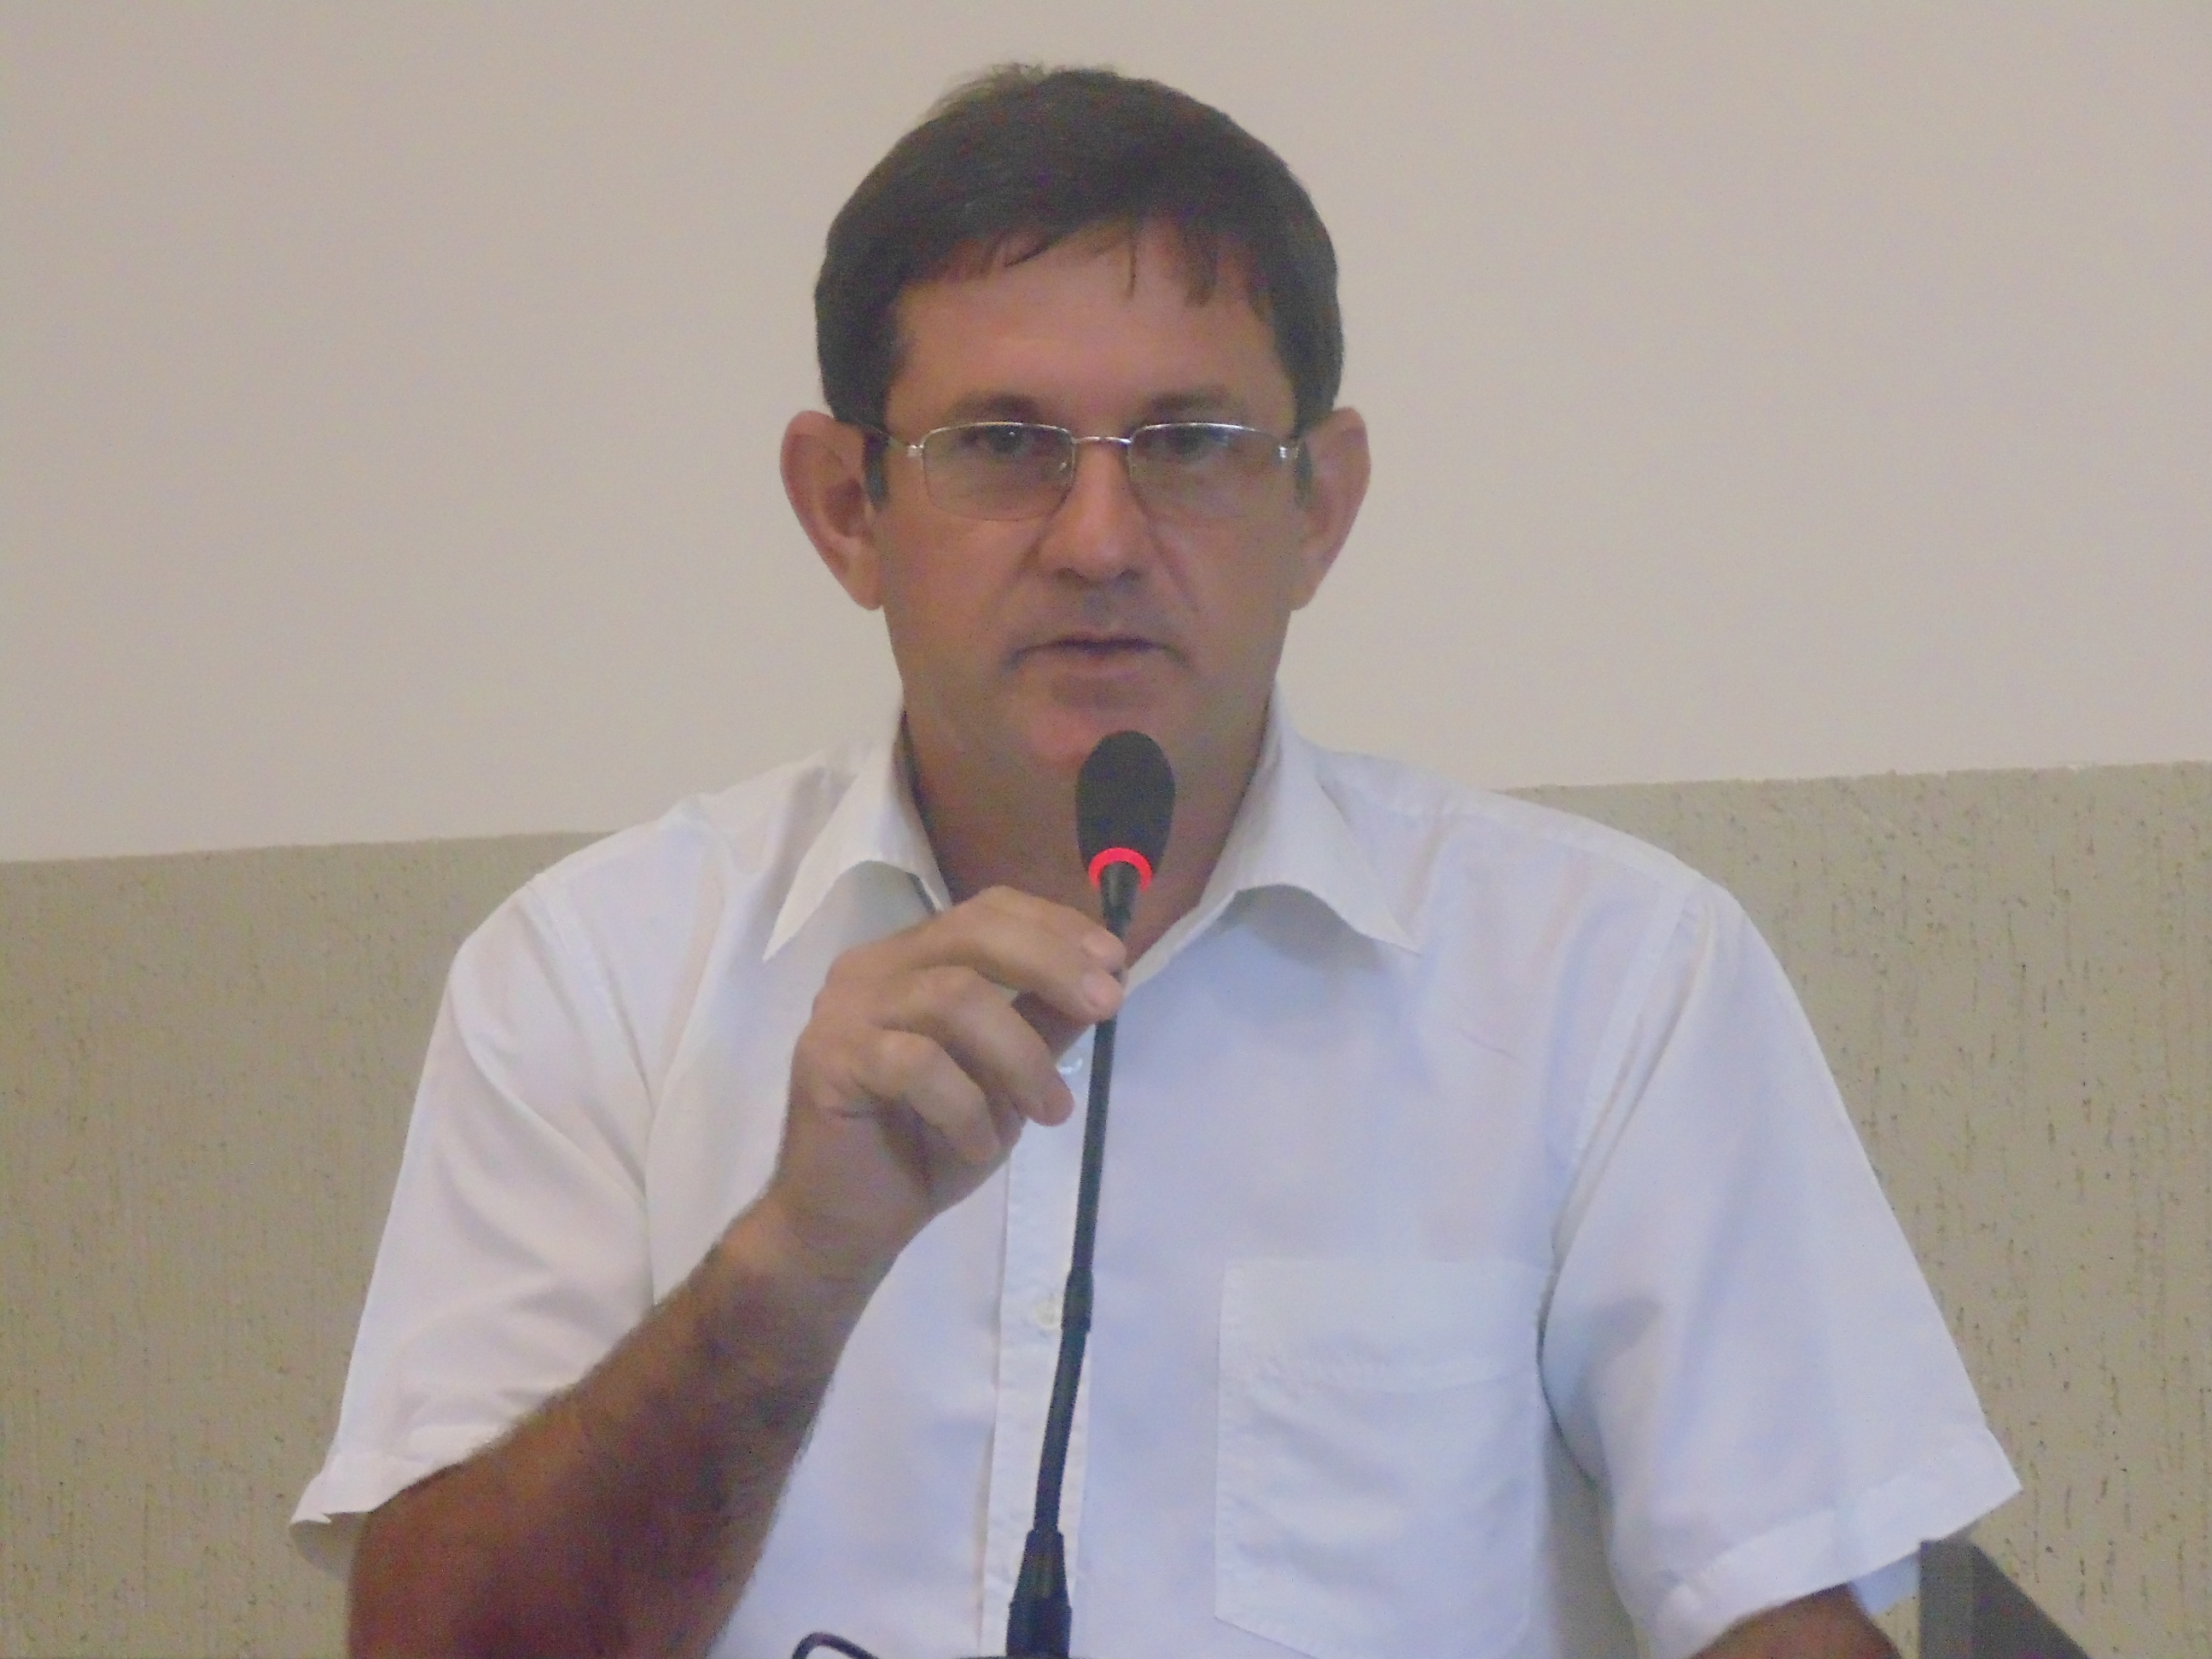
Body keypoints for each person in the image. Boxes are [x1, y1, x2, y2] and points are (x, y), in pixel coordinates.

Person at [295, 65, 2019, 1659]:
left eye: (1190, 446)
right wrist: (792, 1264)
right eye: (1003, 447)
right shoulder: (591, 979)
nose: (1100, 540)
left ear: (1319, 506)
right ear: (846, 509)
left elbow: (1787, 1621)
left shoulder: (1608, 980)